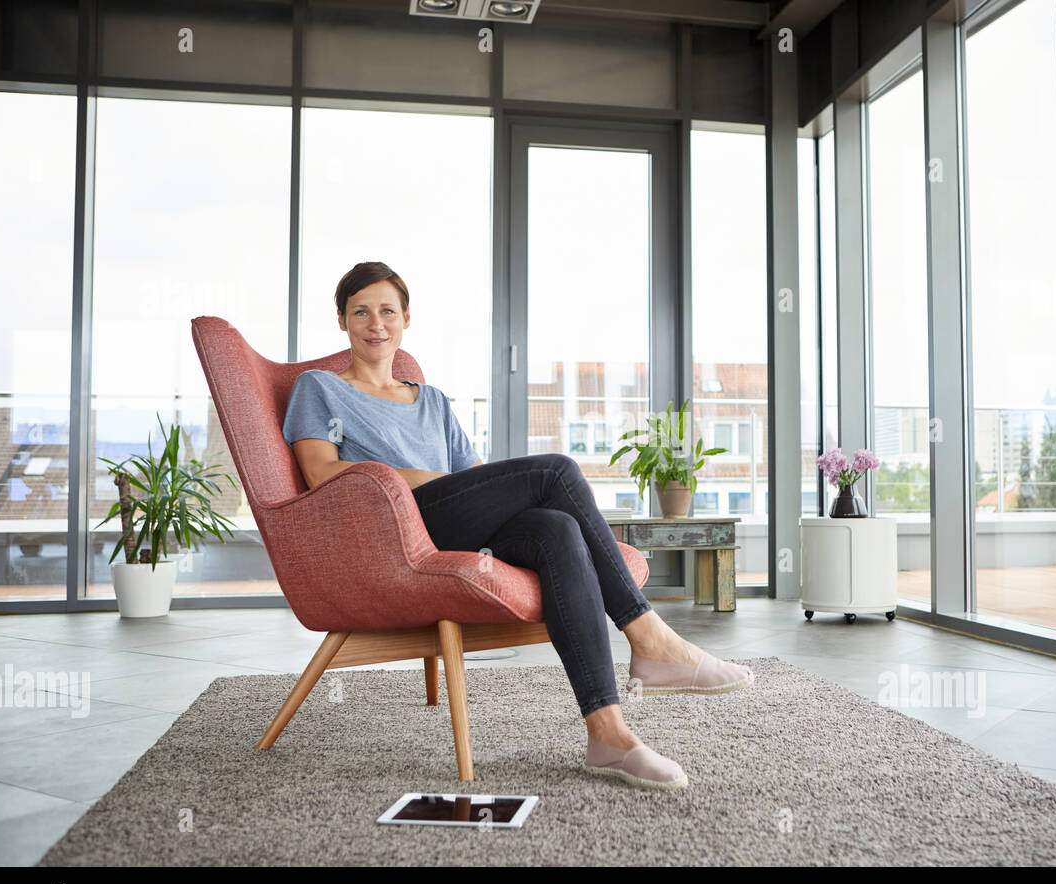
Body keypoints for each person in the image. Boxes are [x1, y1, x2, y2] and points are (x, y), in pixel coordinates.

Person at [282, 261, 754, 790]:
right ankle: (649, 639)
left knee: (556, 527)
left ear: (406, 318)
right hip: (395, 529)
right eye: (361, 312)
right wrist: (424, 478)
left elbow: (471, 480)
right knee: (556, 471)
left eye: (387, 311)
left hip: (456, 522)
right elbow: (320, 471)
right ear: (341, 320)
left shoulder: (431, 400)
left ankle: (609, 735)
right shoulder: (318, 388)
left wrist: (487, 493)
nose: (376, 324)